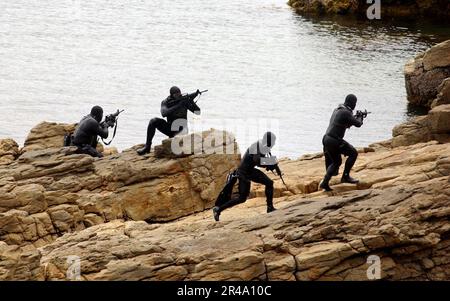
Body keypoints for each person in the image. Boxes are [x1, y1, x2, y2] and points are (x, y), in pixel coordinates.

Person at [212, 132, 278, 221]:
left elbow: (261, 161)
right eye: (273, 142)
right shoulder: (257, 146)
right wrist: (270, 163)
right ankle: (218, 209)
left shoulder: (264, 146)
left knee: (269, 183)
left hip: (250, 171)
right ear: (268, 141)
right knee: (242, 198)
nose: (273, 144)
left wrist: (273, 164)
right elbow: (258, 161)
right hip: (243, 173)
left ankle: (270, 207)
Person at [137, 86, 201, 155]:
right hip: (170, 129)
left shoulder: (183, 101)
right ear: (171, 95)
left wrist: (191, 100)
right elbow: (164, 113)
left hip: (182, 130)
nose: (178, 96)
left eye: (179, 94)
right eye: (176, 94)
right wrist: (179, 105)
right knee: (153, 121)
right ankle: (147, 146)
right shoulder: (166, 102)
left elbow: (197, 112)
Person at [319, 94, 364, 191]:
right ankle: (345, 177)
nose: (355, 105)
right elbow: (358, 124)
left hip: (326, 139)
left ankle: (325, 182)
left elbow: (343, 124)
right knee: (353, 153)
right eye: (355, 103)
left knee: (336, 162)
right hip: (335, 140)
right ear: (352, 103)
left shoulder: (337, 110)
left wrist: (355, 117)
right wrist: (360, 117)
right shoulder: (346, 112)